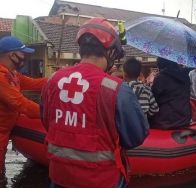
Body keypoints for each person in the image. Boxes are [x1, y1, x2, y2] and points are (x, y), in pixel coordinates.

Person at [41, 17, 149, 188]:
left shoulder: (53, 81)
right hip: (102, 180)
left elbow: (47, 121)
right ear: (111, 52)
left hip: (59, 178)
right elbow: (136, 136)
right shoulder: (116, 89)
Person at [0, 36, 47, 178]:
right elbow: (22, 104)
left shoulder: (12, 74)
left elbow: (35, 84)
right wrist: (50, 113)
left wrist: (59, 78)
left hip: (5, 131)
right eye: (23, 54)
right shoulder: (1, 77)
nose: (25, 57)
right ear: (12, 55)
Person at [149, 57, 191, 129]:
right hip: (185, 119)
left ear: (161, 65)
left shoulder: (160, 78)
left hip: (165, 122)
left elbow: (153, 99)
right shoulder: (185, 76)